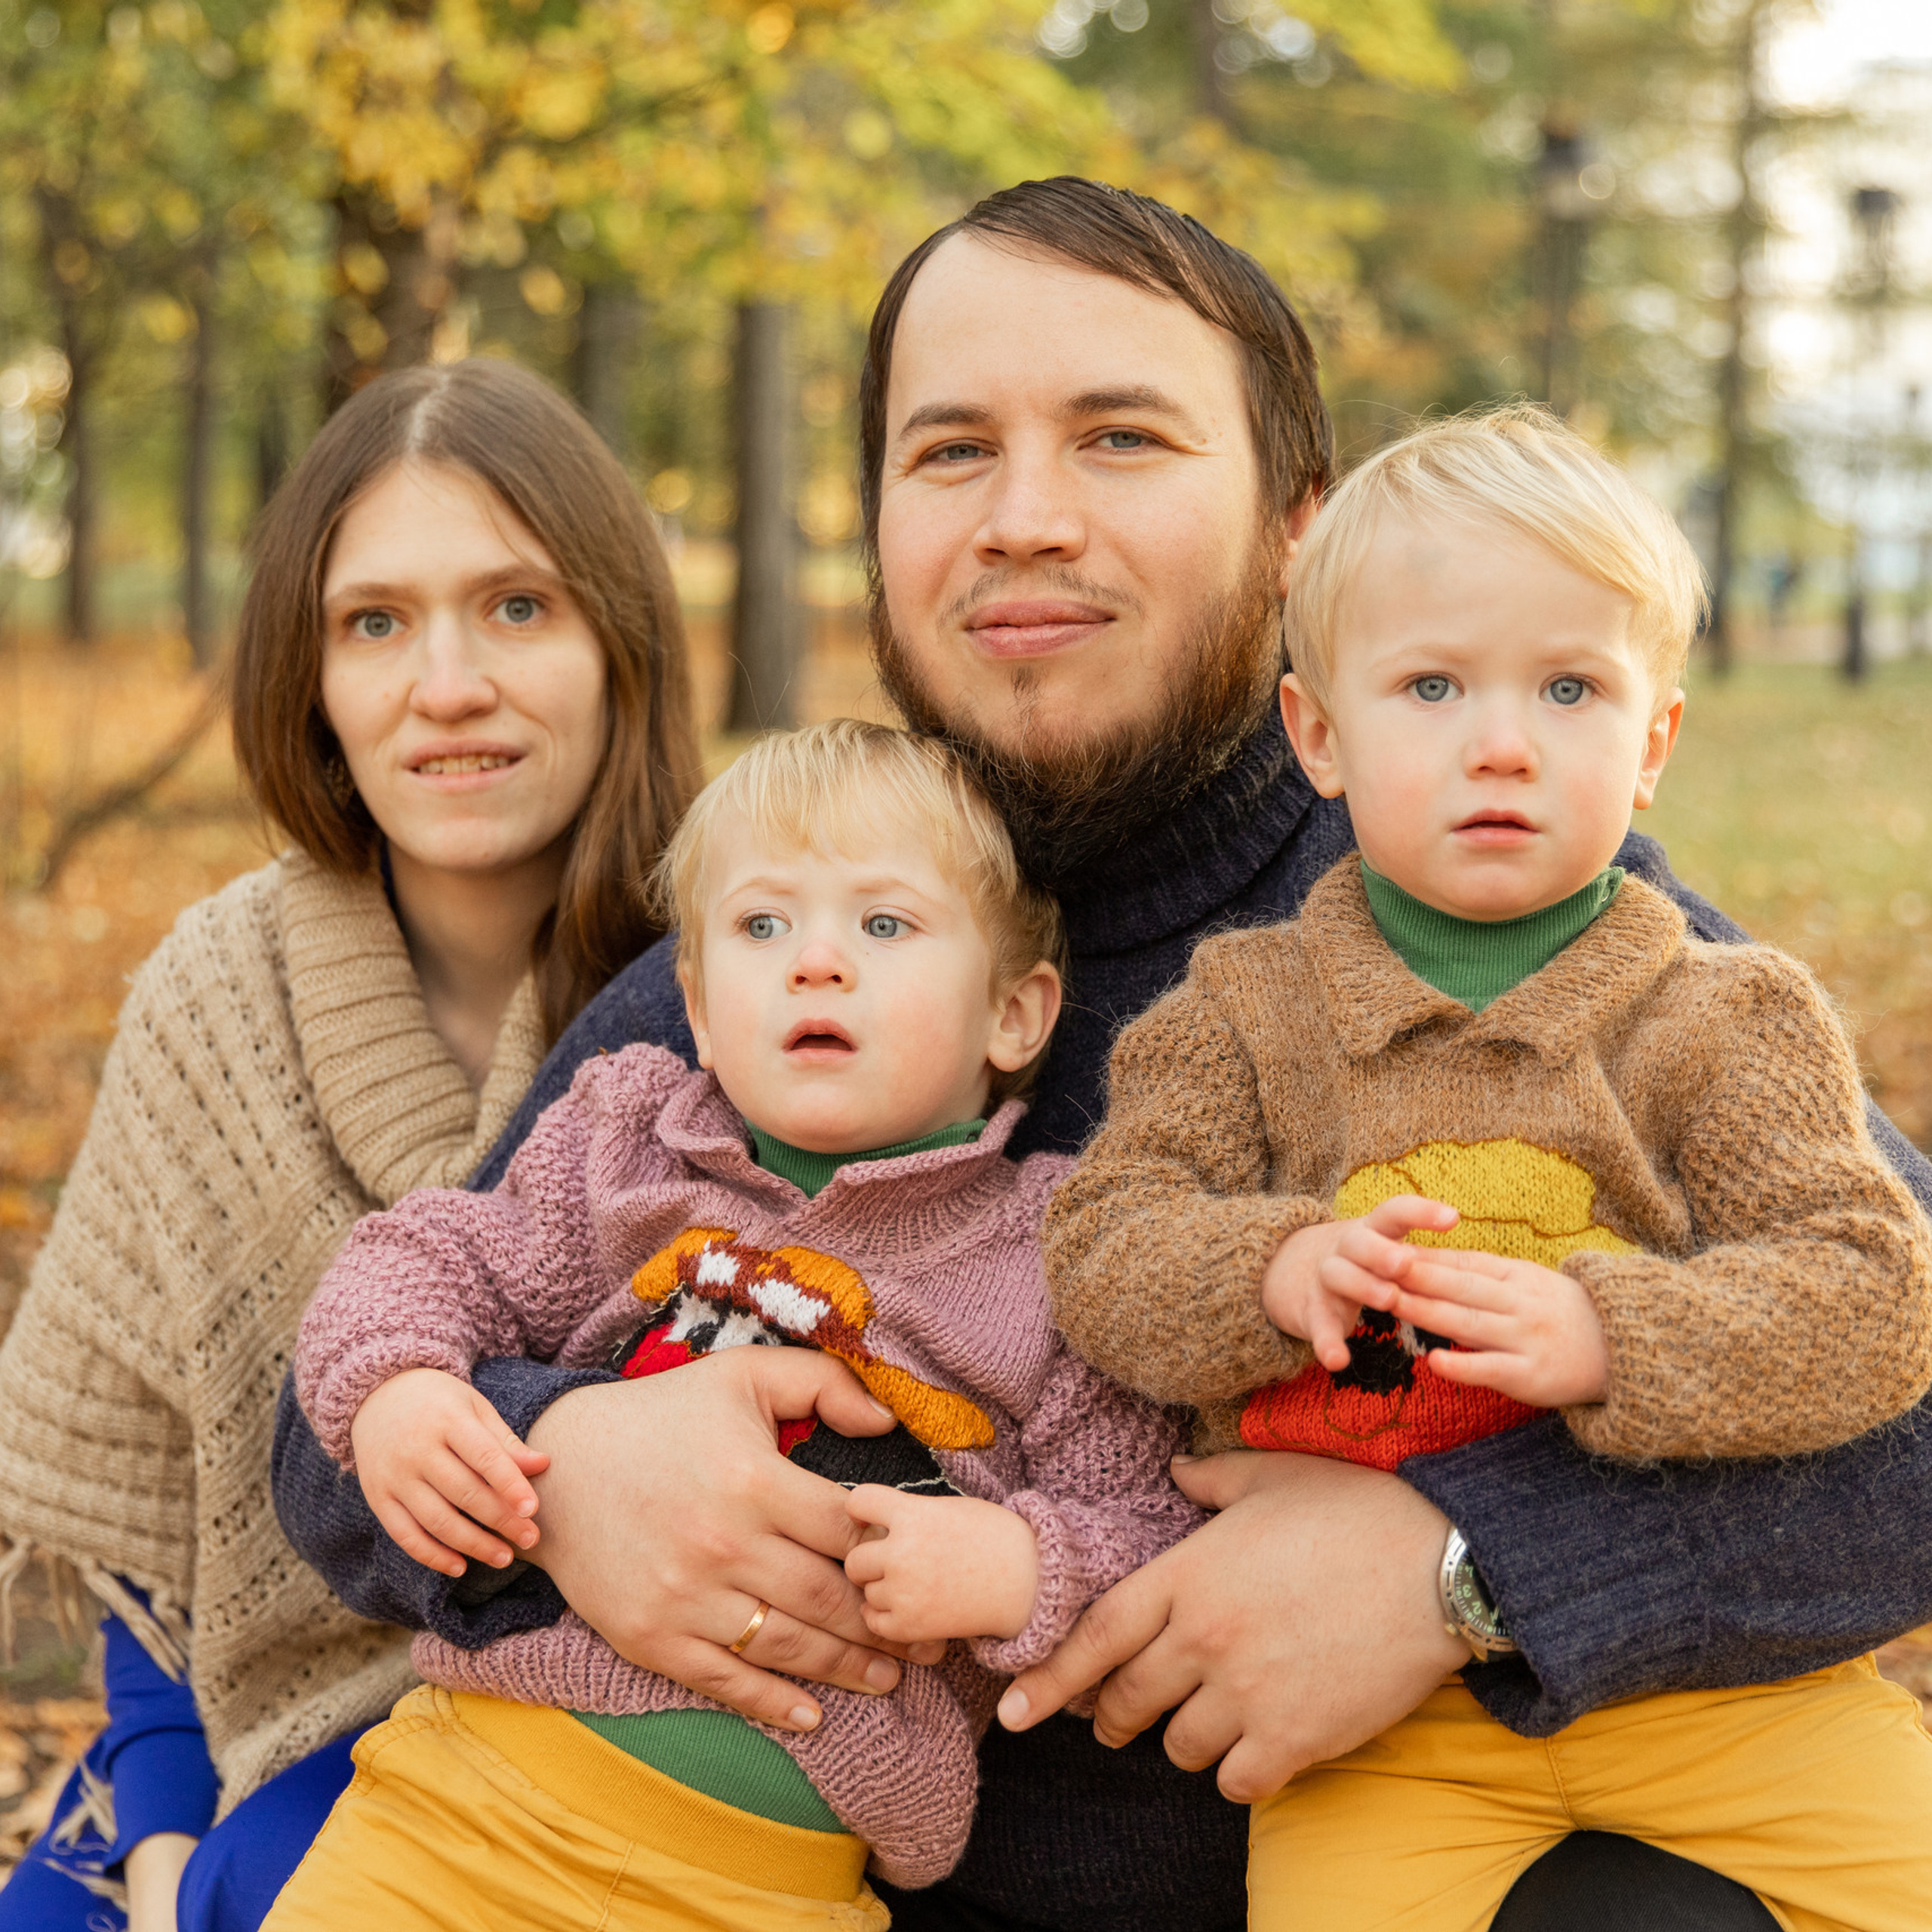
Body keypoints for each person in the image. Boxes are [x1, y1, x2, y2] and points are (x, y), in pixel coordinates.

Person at [275, 179, 1932, 1932]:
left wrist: (1464, 1566)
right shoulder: (793, 938)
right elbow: (345, 1414)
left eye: (1119, 436)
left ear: (1300, 528)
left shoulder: (1498, 903)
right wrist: (563, 1468)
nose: (1025, 518)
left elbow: (1897, 1364)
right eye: (948, 453)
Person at [1041, 406, 1932, 1932]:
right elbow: (1101, 1250)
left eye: (1568, 686)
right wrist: (1265, 1267)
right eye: (1432, 684)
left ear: (1650, 741)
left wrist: (1610, 1330)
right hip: (1380, 1739)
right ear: (1316, 734)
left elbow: (1872, 1295)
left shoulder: (1722, 1014)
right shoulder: (1242, 1015)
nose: (1499, 740)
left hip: (1729, 1693)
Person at [262, 721, 1199, 1928]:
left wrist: (1027, 1568)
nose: (816, 963)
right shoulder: (626, 1148)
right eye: (763, 927)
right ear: (698, 1009)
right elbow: (424, 1255)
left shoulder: (1059, 1263)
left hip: (764, 1884)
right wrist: (397, 1388)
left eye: (883, 924)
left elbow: (1154, 1527)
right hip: (460, 1807)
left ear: (1014, 1016)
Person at [0, 357, 699, 1932]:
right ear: (309, 672)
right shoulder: (214, 997)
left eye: (516, 606)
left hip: (617, 1742)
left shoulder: (753, 976)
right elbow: (151, 1523)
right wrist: (167, 1831)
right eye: (374, 621)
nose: (443, 684)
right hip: (235, 1742)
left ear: (616, 642)